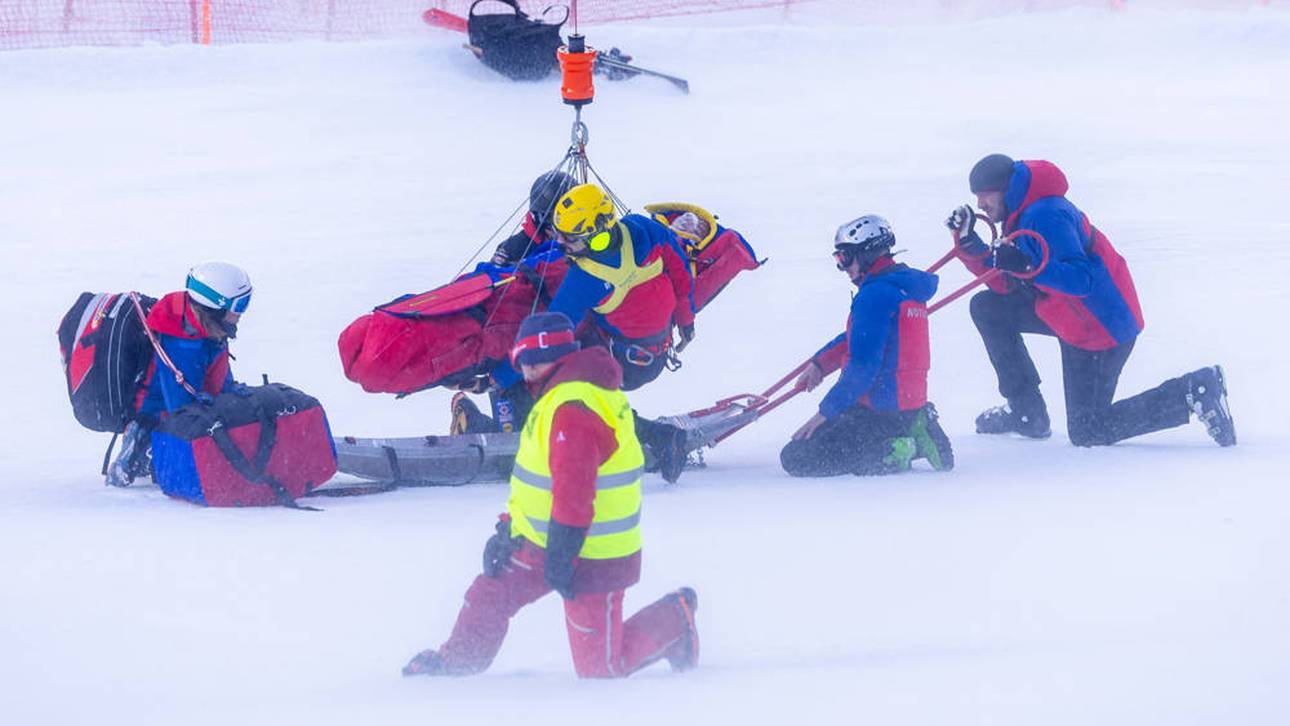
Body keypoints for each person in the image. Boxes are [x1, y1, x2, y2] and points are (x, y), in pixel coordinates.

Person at [404, 312, 699, 679]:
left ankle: (675, 619)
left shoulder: (573, 407)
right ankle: (455, 666)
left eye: (536, 361)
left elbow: (574, 490)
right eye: (523, 362)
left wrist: (562, 553)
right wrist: (508, 528)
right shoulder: (556, 397)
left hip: (594, 553)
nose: (528, 371)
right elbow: (537, 481)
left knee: (600, 670)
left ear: (560, 356)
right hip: (543, 539)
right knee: (490, 596)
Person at [946, 154, 1235, 447]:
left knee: (1089, 430)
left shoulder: (1046, 215)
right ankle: (1026, 412)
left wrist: (1027, 265)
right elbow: (1008, 283)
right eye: (977, 197)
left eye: (986, 195)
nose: (980, 204)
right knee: (988, 308)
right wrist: (971, 245)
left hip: (1100, 326)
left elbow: (1081, 280)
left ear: (1007, 190)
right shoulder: (1020, 214)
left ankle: (1194, 390)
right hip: (1066, 315)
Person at [456, 182, 696, 482]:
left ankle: (658, 436)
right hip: (652, 350)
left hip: (623, 362)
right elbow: (680, 271)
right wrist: (686, 320)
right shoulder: (643, 228)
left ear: (597, 235)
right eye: (558, 233)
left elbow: (546, 338)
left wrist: (496, 378)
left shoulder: (586, 278)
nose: (559, 242)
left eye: (569, 238)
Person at [781, 216, 954, 477]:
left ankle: (902, 448)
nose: (842, 267)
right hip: (904, 404)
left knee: (796, 456)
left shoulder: (874, 294)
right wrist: (820, 364)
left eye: (845, 257)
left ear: (867, 253)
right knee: (822, 440)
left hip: (878, 409)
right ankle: (915, 423)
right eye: (838, 258)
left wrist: (824, 413)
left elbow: (862, 367)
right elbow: (860, 338)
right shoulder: (903, 287)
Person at [105, 262, 252, 486]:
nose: (242, 312)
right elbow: (181, 408)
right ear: (215, 306)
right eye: (240, 304)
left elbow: (217, 376)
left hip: (182, 408)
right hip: (157, 417)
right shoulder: (184, 344)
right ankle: (138, 448)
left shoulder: (207, 328)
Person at [486, 170, 576, 266]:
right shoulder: (514, 248)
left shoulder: (583, 242)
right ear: (538, 219)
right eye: (552, 223)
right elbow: (492, 271)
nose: (559, 232)